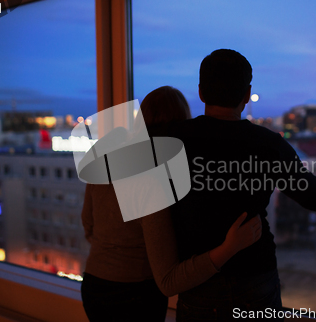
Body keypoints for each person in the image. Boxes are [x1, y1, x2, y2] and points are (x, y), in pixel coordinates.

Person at [164, 49, 316, 321]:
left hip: (198, 282)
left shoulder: (172, 141)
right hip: (255, 278)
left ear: (201, 92)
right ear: (245, 95)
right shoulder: (267, 145)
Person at [80, 86, 263, 322]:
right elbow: (168, 282)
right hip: (133, 296)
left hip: (94, 285)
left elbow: (88, 225)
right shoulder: (153, 177)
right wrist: (229, 247)